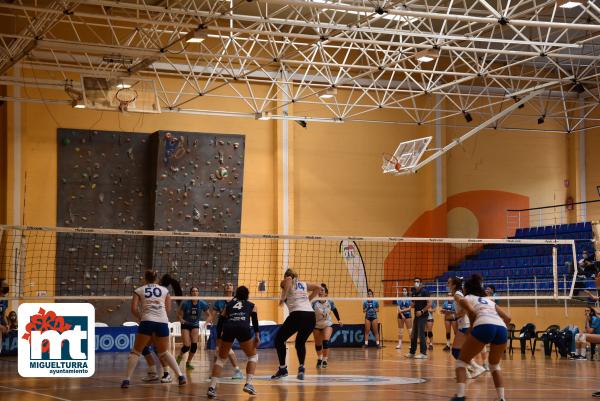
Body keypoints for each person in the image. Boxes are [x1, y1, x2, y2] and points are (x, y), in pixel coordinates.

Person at [120, 270, 186, 388]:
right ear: (156, 278)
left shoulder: (139, 290)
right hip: (162, 322)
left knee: (136, 351)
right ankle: (180, 376)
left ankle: (127, 380)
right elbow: (168, 309)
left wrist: (141, 316)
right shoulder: (165, 290)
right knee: (164, 352)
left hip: (147, 321)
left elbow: (134, 309)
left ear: (145, 278)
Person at [451, 274, 511, 401]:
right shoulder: (489, 301)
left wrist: (473, 329)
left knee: (461, 362)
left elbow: (472, 313)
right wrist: (497, 330)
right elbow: (508, 318)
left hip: (484, 325)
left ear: (467, 289)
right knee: (494, 366)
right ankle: (502, 399)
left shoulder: (466, 298)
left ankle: (460, 396)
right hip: (501, 329)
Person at [207, 286, 260, 399]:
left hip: (229, 328)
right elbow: (255, 321)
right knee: (253, 356)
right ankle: (249, 384)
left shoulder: (229, 305)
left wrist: (218, 337)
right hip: (243, 328)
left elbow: (220, 321)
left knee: (221, 359)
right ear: (247, 295)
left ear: (236, 294)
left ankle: (212, 387)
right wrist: (257, 335)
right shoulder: (252, 305)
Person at [271, 268, 320, 380]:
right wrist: (308, 299)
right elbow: (318, 288)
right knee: (300, 342)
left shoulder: (285, 282)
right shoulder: (303, 284)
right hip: (310, 317)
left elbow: (288, 280)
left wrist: (283, 297)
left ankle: (283, 369)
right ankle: (301, 367)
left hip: (298, 315)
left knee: (279, 339)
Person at [450, 276, 486, 379]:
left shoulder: (457, 295)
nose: (447, 284)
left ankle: (475, 368)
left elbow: (466, 308)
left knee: (456, 351)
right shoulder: (458, 294)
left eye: (449, 282)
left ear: (453, 284)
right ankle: (468, 371)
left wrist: (454, 316)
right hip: (464, 324)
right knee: (459, 351)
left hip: (466, 324)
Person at [210, 282, 244, 379]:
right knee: (218, 349)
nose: (228, 286)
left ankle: (237, 371)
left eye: (230, 285)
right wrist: (208, 322)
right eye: (227, 285)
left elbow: (241, 313)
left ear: (233, 289)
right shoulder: (219, 301)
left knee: (226, 348)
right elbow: (212, 315)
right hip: (221, 327)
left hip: (231, 327)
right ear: (224, 288)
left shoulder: (237, 301)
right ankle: (215, 372)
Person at [176, 287, 209, 370]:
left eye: (196, 291)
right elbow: (178, 314)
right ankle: (179, 358)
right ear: (191, 293)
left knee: (194, 346)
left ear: (198, 293)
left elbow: (210, 315)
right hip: (186, 324)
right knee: (187, 346)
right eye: (193, 291)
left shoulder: (202, 303)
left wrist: (205, 323)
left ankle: (188, 363)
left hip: (195, 325)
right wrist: (181, 319)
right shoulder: (185, 303)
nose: (195, 292)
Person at [312, 283, 342, 368]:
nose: (320, 292)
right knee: (318, 344)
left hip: (327, 324)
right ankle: (319, 358)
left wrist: (339, 320)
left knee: (325, 341)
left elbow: (335, 310)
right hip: (316, 325)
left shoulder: (330, 302)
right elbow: (310, 313)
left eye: (322, 290)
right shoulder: (314, 303)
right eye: (319, 290)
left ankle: (325, 359)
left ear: (326, 293)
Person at [406, 277, 431, 359]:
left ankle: (423, 353)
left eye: (418, 281)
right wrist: (409, 302)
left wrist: (422, 311)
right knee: (414, 334)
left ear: (421, 283)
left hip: (423, 315)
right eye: (415, 281)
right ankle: (412, 352)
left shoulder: (425, 291)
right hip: (416, 315)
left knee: (421, 334)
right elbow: (413, 304)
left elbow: (429, 304)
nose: (416, 282)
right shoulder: (413, 292)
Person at [0, 279, 9, 354]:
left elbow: (3, 315)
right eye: (4, 285)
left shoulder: (5, 299)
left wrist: (7, 324)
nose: (7, 286)